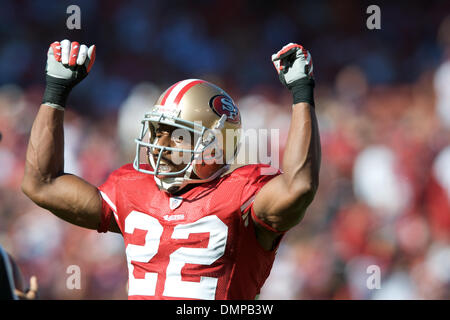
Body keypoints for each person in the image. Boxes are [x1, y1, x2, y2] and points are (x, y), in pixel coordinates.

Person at [21, 40, 321, 300]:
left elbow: (299, 186)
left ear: (213, 143)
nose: (158, 144)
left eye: (175, 134)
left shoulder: (242, 191)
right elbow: (42, 184)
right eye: (156, 131)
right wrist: (55, 91)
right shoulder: (132, 189)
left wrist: (301, 94)